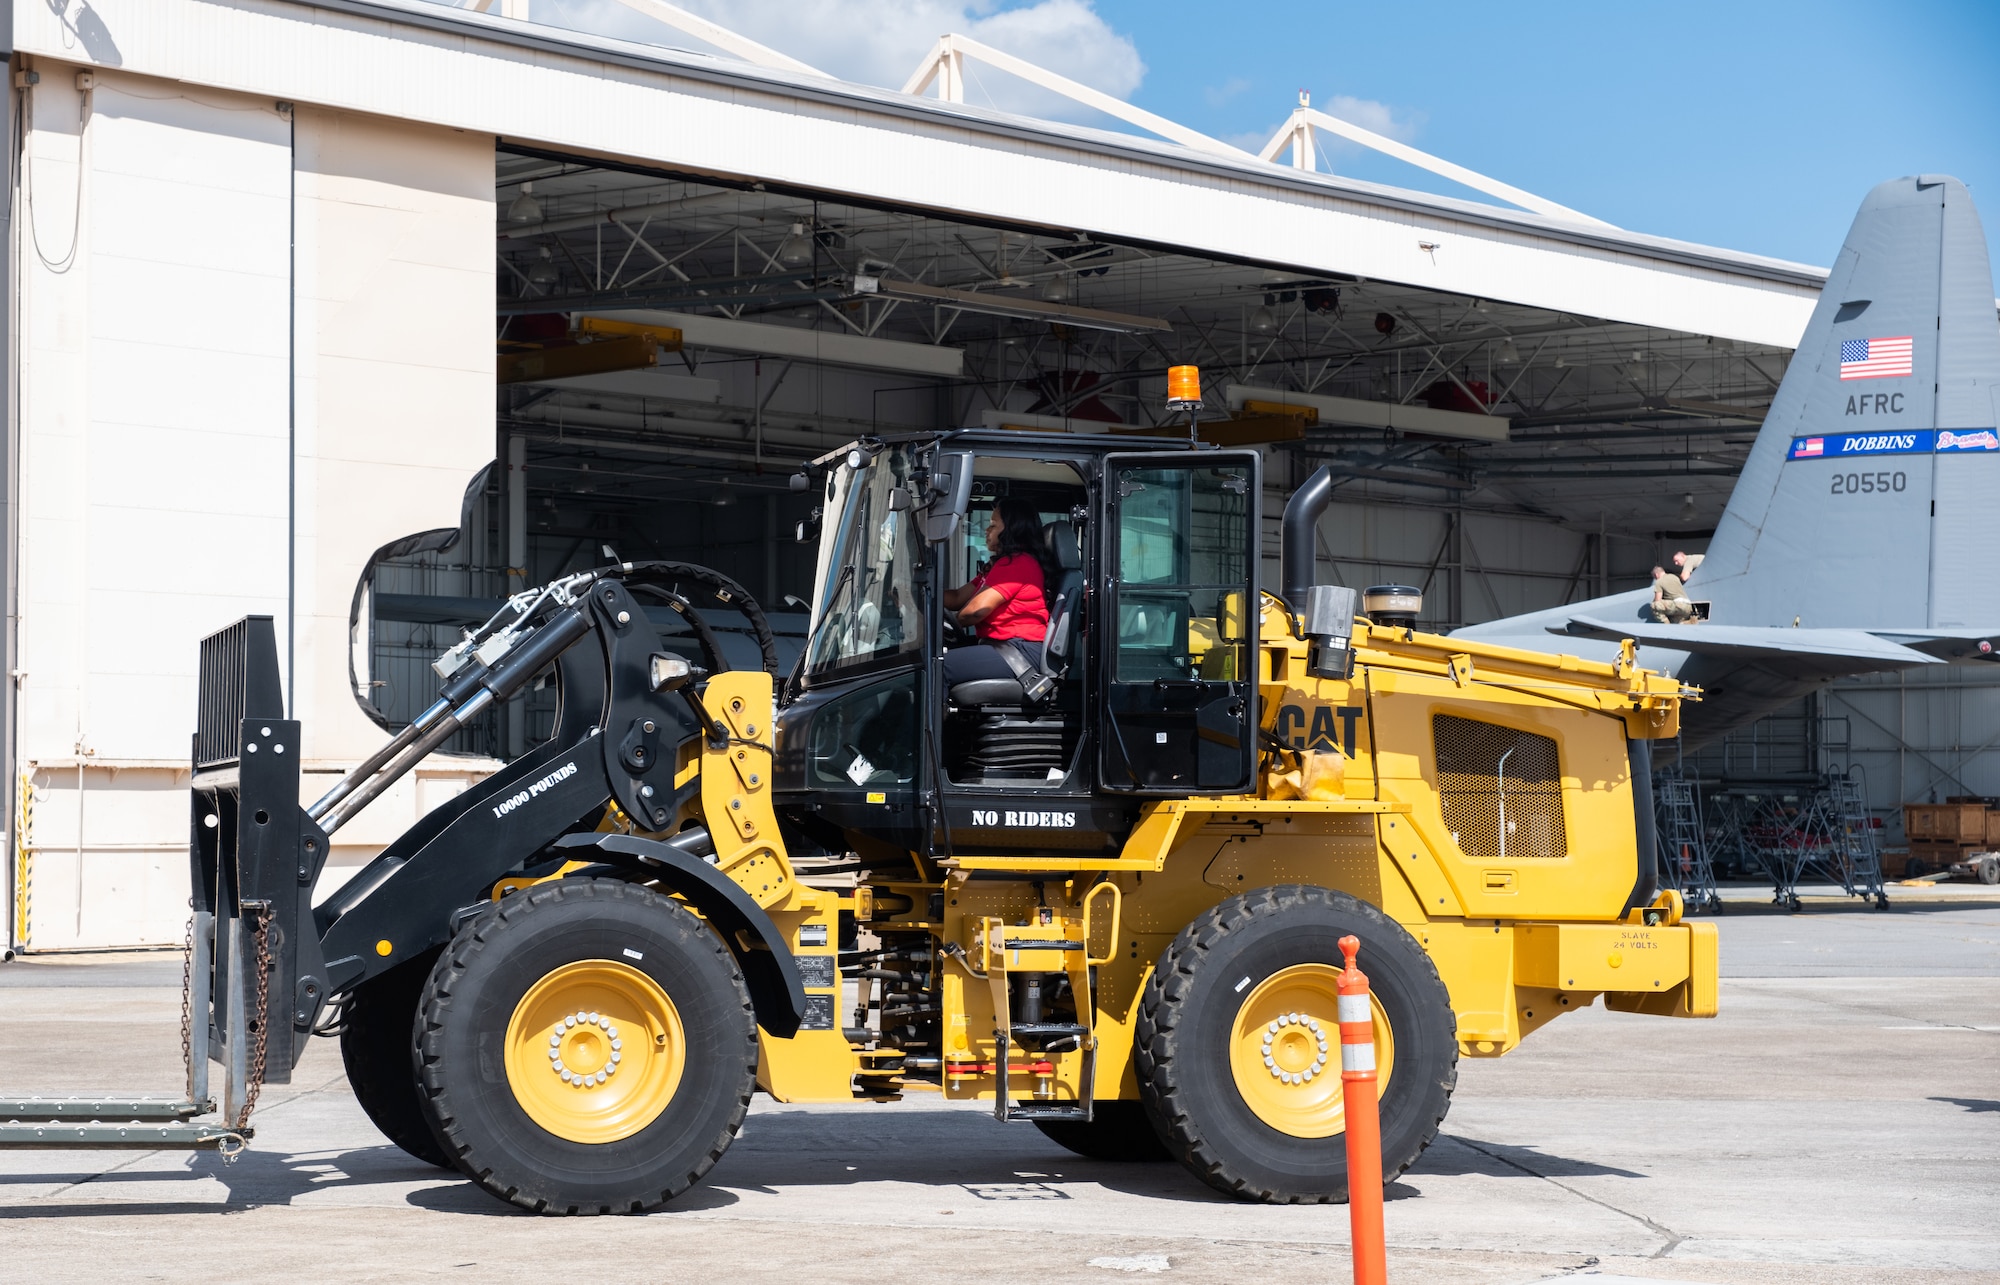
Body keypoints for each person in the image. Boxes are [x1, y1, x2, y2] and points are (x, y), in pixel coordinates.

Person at [941, 496, 1056, 685]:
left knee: (937, 668)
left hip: (1021, 651)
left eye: (993, 525)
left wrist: (959, 618)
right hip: (1007, 647)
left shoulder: (1019, 564)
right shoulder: (998, 567)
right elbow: (956, 598)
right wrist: (921, 592)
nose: (987, 530)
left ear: (1012, 529)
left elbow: (973, 612)